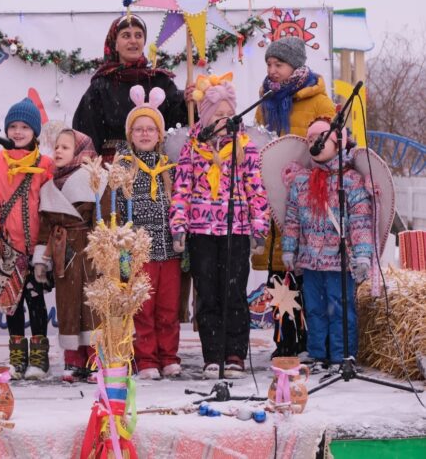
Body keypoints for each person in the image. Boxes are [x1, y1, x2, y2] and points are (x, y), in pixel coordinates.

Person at [170, 76, 270, 379]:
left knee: (234, 292)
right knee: (208, 294)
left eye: (229, 115)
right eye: (218, 115)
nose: (224, 121)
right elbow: (182, 189)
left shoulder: (244, 148)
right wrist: (179, 225)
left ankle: (235, 353)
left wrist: (259, 227)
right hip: (202, 231)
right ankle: (212, 355)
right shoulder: (192, 148)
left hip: (235, 230)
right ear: (206, 117)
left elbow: (256, 189)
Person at [253, 36, 336, 358]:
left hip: (310, 200)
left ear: (296, 66)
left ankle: (315, 340)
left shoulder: (319, 102)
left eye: (279, 65)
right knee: (280, 272)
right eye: (269, 65)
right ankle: (285, 339)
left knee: (310, 272)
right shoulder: (266, 102)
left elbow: (332, 144)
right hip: (277, 198)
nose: (273, 70)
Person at [282, 118, 373, 374]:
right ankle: (318, 353)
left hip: (339, 261)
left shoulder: (352, 181)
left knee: (340, 308)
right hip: (310, 259)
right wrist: (289, 248)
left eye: (320, 138)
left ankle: (343, 354)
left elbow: (360, 222)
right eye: (310, 140)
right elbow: (292, 218)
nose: (314, 143)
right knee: (314, 308)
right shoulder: (302, 181)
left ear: (338, 142)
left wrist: (363, 256)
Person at [0, 98, 54, 380]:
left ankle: (40, 357)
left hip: (37, 246)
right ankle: (17, 358)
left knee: (35, 299)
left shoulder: (46, 164)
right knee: (12, 303)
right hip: (7, 244)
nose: (18, 132)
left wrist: (49, 245)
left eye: (24, 127)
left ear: (35, 131)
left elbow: (52, 204)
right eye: (13, 126)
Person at [114, 85, 182, 380]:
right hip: (139, 251)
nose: (144, 134)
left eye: (150, 129)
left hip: (168, 249)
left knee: (168, 309)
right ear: (130, 135)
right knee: (143, 308)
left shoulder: (170, 166)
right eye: (138, 129)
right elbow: (116, 209)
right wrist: (122, 248)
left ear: (159, 135)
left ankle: (169, 356)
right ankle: (147, 359)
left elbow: (179, 203)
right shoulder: (123, 167)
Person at [33, 128, 104, 383]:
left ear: (81, 152)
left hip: (90, 249)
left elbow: (106, 218)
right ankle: (73, 360)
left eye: (65, 147)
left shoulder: (97, 180)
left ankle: (96, 359)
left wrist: (105, 250)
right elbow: (45, 227)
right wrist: (41, 259)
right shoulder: (49, 186)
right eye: (57, 147)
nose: (58, 152)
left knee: (93, 305)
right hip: (64, 252)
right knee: (67, 305)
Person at [72, 13, 189, 161]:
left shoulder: (159, 80)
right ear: (115, 43)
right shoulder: (102, 85)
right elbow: (86, 134)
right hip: (114, 168)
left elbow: (177, 120)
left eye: (138, 35)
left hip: (155, 167)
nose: (133, 41)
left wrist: (188, 102)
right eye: (126, 36)